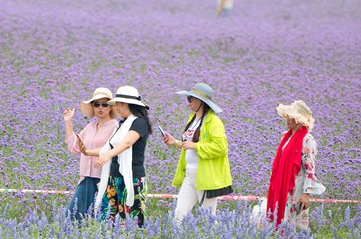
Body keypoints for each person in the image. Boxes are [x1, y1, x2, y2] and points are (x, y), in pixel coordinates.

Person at [79, 86, 151, 227]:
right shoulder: (122, 124)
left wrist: (107, 157)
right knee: (106, 216)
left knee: (132, 219)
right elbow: (109, 147)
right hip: (114, 177)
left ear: (125, 104)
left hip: (132, 178)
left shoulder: (139, 123)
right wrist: (87, 152)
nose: (116, 108)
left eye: (118, 104)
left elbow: (127, 143)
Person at [163, 83, 233, 225]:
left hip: (206, 177)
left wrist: (195, 146)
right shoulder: (192, 119)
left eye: (190, 98)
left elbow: (221, 148)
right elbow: (188, 144)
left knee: (208, 219)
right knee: (178, 216)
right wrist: (175, 142)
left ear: (200, 101)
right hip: (189, 175)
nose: (188, 102)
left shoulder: (214, 122)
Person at [252, 100, 325, 231]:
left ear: (299, 119)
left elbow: (310, 170)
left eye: (290, 116)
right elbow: (278, 164)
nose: (286, 119)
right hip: (281, 186)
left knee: (290, 225)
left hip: (295, 189)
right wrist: (272, 186)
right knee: (277, 219)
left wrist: (307, 194)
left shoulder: (307, 140)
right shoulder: (286, 137)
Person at [62, 87, 117, 221]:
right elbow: (75, 147)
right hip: (87, 177)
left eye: (105, 104)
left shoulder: (115, 126)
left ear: (110, 107)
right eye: (96, 104)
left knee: (104, 218)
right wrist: (68, 122)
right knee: (72, 216)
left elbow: (113, 149)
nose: (100, 107)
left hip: (105, 178)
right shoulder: (89, 127)